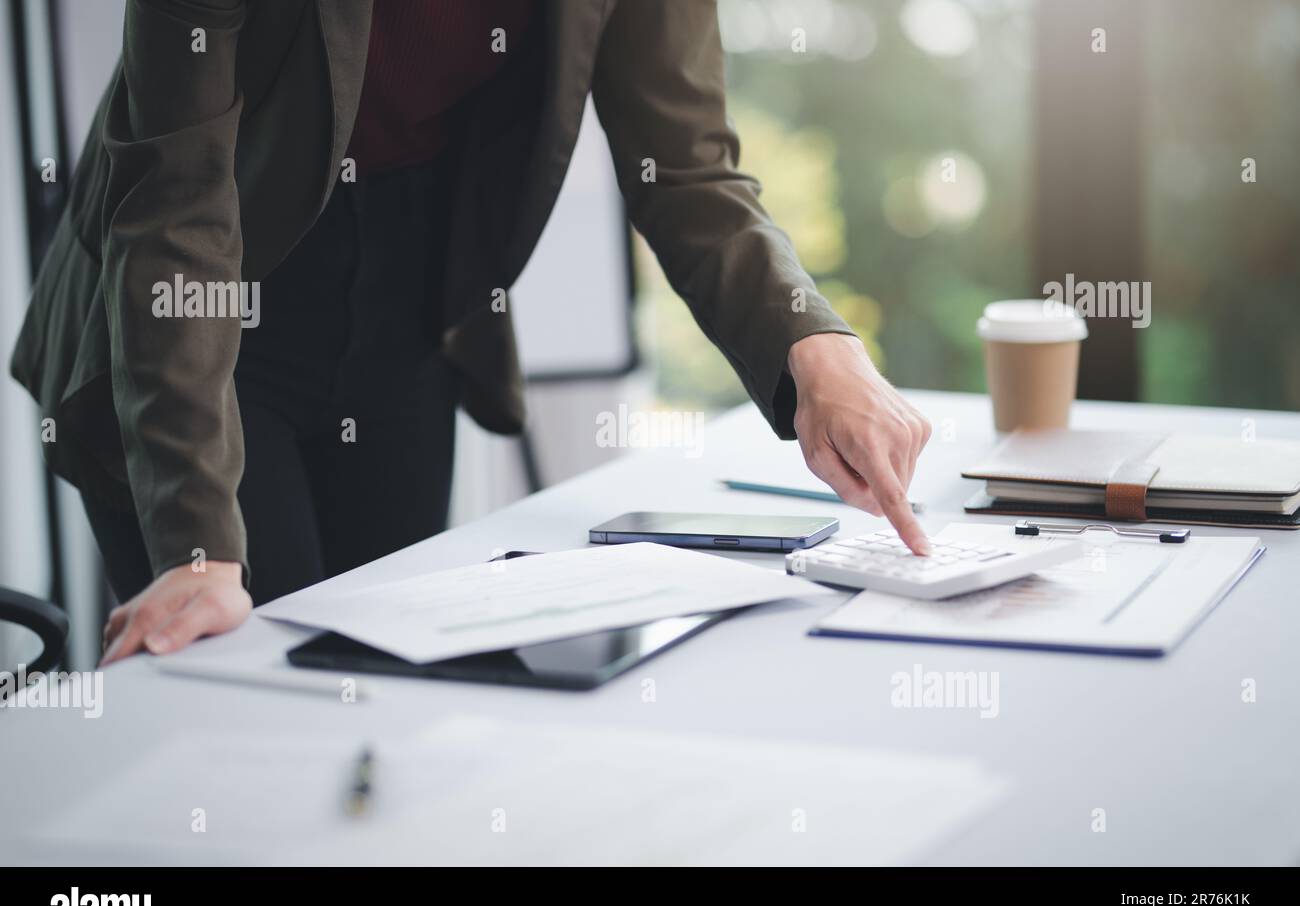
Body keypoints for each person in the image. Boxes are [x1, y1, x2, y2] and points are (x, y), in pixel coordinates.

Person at [10, 0, 931, 666]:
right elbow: (176, 212)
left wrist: (821, 351)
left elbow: (684, 167)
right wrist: (198, 551)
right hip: (192, 308)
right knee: (253, 687)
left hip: (411, 301)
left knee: (393, 679)